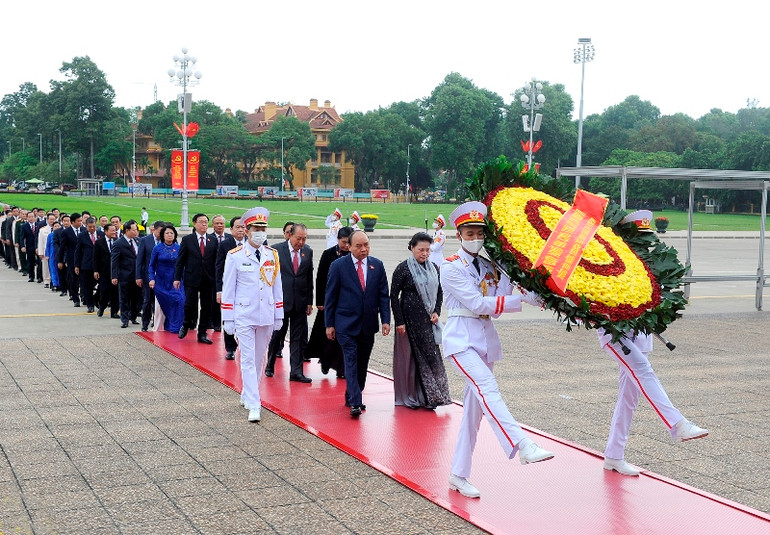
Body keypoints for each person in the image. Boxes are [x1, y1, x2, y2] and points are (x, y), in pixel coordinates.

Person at [441, 201, 553, 499]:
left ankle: (458, 474)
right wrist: (521, 301)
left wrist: (526, 289)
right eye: (470, 231)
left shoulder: (493, 266)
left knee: (474, 415)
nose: (475, 236)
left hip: (486, 342)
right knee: (488, 388)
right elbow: (477, 304)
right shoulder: (450, 266)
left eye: (480, 232)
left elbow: (499, 304)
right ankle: (522, 445)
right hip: (461, 341)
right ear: (459, 234)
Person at [600, 210, 708, 477]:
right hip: (615, 334)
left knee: (629, 398)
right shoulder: (610, 262)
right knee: (644, 372)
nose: (645, 243)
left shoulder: (648, 264)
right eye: (639, 238)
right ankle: (677, 424)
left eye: (646, 238)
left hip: (640, 334)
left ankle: (614, 455)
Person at [221, 207, 284, 422]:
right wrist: (228, 317)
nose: (260, 232)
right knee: (247, 358)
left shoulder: (272, 255)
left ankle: (248, 393)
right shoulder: (235, 256)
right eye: (256, 228)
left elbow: (277, 287)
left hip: (266, 313)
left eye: (263, 228)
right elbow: (228, 288)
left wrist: (278, 314)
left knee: (259, 359)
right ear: (246, 231)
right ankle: (255, 404)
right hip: (244, 314)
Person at [325, 230, 391, 417]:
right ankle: (356, 401)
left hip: (368, 324)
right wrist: (329, 324)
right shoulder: (338, 266)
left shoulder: (377, 266)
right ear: (349, 247)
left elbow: (383, 296)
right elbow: (330, 297)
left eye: (366, 245)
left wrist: (385, 320)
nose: (364, 249)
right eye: (359, 246)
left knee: (362, 363)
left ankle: (352, 393)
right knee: (351, 361)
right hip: (345, 323)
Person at [391, 232, 451, 409]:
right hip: (409, 322)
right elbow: (394, 295)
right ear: (412, 248)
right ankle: (414, 396)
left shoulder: (433, 267)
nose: (424, 254)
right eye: (420, 250)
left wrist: (437, 311)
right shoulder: (403, 268)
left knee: (431, 358)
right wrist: (399, 321)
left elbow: (440, 292)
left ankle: (433, 397)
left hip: (427, 322)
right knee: (412, 360)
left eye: (427, 250)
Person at [266, 223, 314, 382]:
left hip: (300, 302)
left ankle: (296, 371)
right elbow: (268, 278)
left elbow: (308, 278)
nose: (301, 242)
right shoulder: (275, 251)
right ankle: (270, 364)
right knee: (277, 335)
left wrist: (309, 301)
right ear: (289, 235)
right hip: (280, 302)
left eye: (304, 239)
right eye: (298, 238)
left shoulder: (308, 251)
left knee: (298, 338)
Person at [306, 226, 353, 378]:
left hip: (346, 303)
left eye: (349, 242)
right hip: (329, 302)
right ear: (338, 240)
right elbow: (320, 278)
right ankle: (325, 361)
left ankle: (341, 367)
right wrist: (320, 301)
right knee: (326, 335)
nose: (346, 245)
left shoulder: (355, 255)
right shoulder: (329, 254)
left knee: (344, 337)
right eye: (343, 242)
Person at [174, 213, 218, 344]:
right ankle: (186, 324)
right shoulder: (188, 239)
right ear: (194, 223)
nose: (204, 224)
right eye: (201, 222)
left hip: (208, 279)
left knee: (206, 307)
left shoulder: (213, 240)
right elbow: (180, 261)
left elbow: (217, 261)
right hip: (192, 277)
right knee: (189, 305)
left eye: (206, 222)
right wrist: (177, 278)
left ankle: (202, 333)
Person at [215, 216, 247, 359]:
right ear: (231, 229)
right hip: (230, 288)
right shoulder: (225, 244)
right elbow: (219, 268)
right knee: (229, 317)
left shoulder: (254, 243)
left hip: (247, 288)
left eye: (243, 227)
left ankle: (246, 346)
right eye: (238, 227)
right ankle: (230, 348)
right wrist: (219, 290)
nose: (241, 230)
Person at [149, 224, 185, 333]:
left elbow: (183, 264)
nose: (169, 235)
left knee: (180, 301)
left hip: (176, 280)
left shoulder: (179, 248)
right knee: (162, 305)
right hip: (161, 281)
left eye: (171, 233)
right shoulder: (157, 248)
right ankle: (161, 327)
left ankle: (176, 327)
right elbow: (151, 265)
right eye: (167, 233)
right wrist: (151, 278)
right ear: (163, 235)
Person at [111, 220, 142, 328]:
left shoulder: (138, 241)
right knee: (124, 298)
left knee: (137, 298)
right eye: (134, 230)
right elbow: (114, 261)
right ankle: (124, 319)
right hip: (124, 275)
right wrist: (114, 276)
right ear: (127, 230)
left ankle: (133, 316)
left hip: (137, 276)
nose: (136, 232)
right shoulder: (118, 243)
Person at [137, 221, 164, 331]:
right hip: (148, 276)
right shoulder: (145, 240)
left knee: (161, 301)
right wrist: (138, 276)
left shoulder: (166, 240)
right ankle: (145, 323)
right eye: (160, 232)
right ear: (154, 230)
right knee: (148, 301)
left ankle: (158, 322)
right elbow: (140, 260)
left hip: (162, 277)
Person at [74, 217, 102, 312]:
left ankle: (96, 299)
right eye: (90, 227)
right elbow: (77, 251)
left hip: (100, 264)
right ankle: (90, 305)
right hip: (86, 264)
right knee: (87, 286)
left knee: (102, 285)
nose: (92, 229)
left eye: (94, 226)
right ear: (86, 226)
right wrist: (77, 265)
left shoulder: (101, 234)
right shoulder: (82, 236)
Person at [94, 224, 119, 319]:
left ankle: (114, 312)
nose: (114, 232)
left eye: (115, 230)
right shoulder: (99, 242)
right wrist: (96, 270)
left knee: (115, 292)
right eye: (112, 230)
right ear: (106, 231)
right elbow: (95, 257)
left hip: (115, 271)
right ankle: (102, 307)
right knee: (104, 291)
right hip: (104, 271)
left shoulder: (118, 241)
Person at [57, 212, 83, 306]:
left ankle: (84, 296)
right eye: (78, 221)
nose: (80, 222)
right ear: (72, 222)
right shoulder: (66, 232)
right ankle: (75, 298)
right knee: (73, 280)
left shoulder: (84, 230)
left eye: (81, 221)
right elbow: (62, 247)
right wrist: (60, 261)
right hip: (71, 259)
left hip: (83, 259)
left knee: (84, 279)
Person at [209, 214, 228, 333]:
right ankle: (215, 324)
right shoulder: (208, 238)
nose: (219, 225)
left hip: (228, 273)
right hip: (213, 274)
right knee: (215, 300)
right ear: (213, 225)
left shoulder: (230, 238)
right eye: (217, 223)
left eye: (221, 223)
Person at [37, 213, 56, 288]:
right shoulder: (43, 230)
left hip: (55, 251)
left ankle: (54, 281)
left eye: (53, 219)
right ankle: (46, 281)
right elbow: (40, 241)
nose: (52, 221)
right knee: (46, 267)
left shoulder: (58, 229)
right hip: (46, 251)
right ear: (47, 220)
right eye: (50, 219)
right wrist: (40, 252)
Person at [20, 211, 38, 283]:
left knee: (39, 262)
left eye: (32, 217)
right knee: (30, 262)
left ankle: (39, 277)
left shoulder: (38, 225)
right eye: (29, 217)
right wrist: (23, 246)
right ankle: (31, 276)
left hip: (37, 246)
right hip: (29, 246)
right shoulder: (24, 226)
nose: (31, 218)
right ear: (27, 218)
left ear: (35, 217)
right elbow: (22, 237)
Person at [45, 221, 61, 292]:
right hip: (52, 254)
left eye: (58, 226)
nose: (57, 227)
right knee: (53, 269)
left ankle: (60, 284)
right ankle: (55, 284)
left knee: (59, 270)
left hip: (59, 254)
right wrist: (47, 255)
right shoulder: (50, 235)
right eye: (55, 226)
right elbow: (47, 246)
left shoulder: (62, 234)